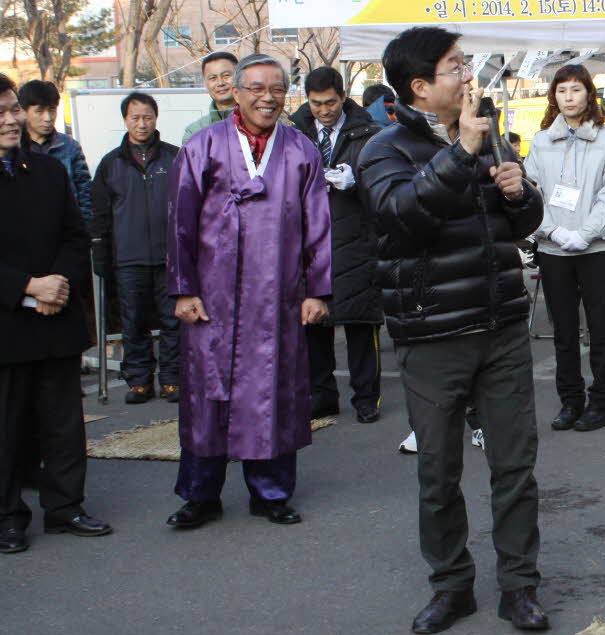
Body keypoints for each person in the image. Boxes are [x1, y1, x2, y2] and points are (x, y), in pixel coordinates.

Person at [359, 26, 548, 635]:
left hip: (500, 324)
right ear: (419, 87)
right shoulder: (381, 149)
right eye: (454, 66)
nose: (467, 75)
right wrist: (462, 153)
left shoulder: (487, 135)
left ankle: (520, 585)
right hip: (432, 331)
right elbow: (403, 219)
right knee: (438, 471)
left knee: (514, 466)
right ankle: (451, 585)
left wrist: (521, 195)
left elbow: (520, 223)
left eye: (464, 63)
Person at [164, 54, 332, 530]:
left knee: (272, 390)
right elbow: (179, 221)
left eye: (277, 89)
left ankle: (271, 492)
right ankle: (200, 495)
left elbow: (318, 226)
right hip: (212, 295)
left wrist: (317, 291)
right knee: (205, 395)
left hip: (278, 293)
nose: (268, 97)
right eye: (256, 88)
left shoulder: (301, 150)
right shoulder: (202, 146)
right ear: (234, 92)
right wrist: (182, 289)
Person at [0, 73, 111, 554]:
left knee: (63, 422)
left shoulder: (45, 169)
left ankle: (66, 507)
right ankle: (8, 517)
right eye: (1, 113)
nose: (12, 120)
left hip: (56, 313)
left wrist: (57, 284)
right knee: (7, 427)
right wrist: (26, 286)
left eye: (12, 109)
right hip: (7, 321)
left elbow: (74, 233)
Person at [524, 64, 605, 433]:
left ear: (589, 94)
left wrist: (585, 234)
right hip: (554, 249)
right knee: (563, 330)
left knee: (600, 326)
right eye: (561, 91)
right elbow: (529, 194)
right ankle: (570, 400)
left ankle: (602, 401)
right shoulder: (540, 142)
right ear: (554, 97)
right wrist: (552, 232)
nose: (569, 98)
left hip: (596, 248)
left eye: (576, 90)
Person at [291, 66, 384, 424]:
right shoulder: (294, 134)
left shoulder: (370, 134)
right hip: (310, 239)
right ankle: (322, 395)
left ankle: (366, 397)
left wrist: (356, 181)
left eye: (330, 103)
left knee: (361, 322)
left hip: (357, 237)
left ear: (343, 97)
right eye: (316, 104)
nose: (324, 110)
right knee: (313, 324)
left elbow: (385, 181)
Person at [89, 91, 181, 406]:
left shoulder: (174, 157)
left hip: (171, 257)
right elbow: (99, 213)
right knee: (134, 322)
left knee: (173, 321)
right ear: (125, 119)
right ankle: (139, 381)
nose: (141, 124)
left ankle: (172, 379)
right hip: (128, 258)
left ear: (156, 118)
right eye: (135, 117)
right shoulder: (111, 163)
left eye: (147, 117)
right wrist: (100, 252)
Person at [19, 79, 91, 222]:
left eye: (52, 110)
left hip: (65, 231)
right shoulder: (15, 148)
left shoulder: (69, 146)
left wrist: (83, 230)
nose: (48, 118)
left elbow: (85, 193)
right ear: (24, 112)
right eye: (39, 111)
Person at [182, 52, 239, 139]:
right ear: (205, 83)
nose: (220, 83)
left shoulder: (258, 122)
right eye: (213, 78)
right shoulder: (195, 131)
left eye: (226, 76)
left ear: (240, 77)